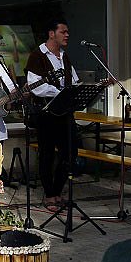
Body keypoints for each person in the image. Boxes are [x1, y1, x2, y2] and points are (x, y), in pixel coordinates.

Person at [25, 18, 81, 211]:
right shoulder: (37, 56)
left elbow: (74, 80)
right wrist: (60, 92)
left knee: (70, 152)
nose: (67, 35)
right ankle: (49, 195)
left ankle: (57, 191)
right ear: (51, 34)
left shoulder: (64, 56)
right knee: (47, 154)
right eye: (63, 32)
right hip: (46, 113)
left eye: (67, 32)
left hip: (65, 113)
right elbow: (36, 87)